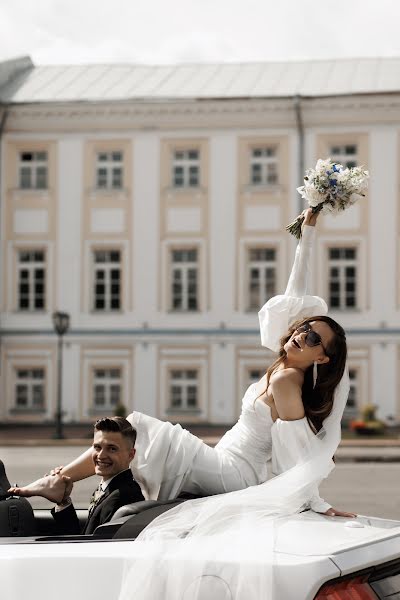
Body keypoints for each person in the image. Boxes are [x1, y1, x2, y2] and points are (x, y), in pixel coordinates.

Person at [11, 210, 354, 521]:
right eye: (305, 328)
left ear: (322, 358)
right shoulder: (286, 360)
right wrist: (307, 235)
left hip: (235, 473)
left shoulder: (287, 380)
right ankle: (63, 483)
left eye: (313, 339)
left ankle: (61, 482)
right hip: (223, 458)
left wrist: (313, 501)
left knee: (142, 429)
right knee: (142, 432)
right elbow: (296, 295)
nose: (302, 334)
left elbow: (299, 451)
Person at [9, 417, 144, 534]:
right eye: (97, 447)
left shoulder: (121, 497)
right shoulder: (115, 488)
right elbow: (85, 537)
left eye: (112, 448)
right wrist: (63, 501)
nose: (101, 455)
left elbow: (91, 548)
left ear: (131, 455)